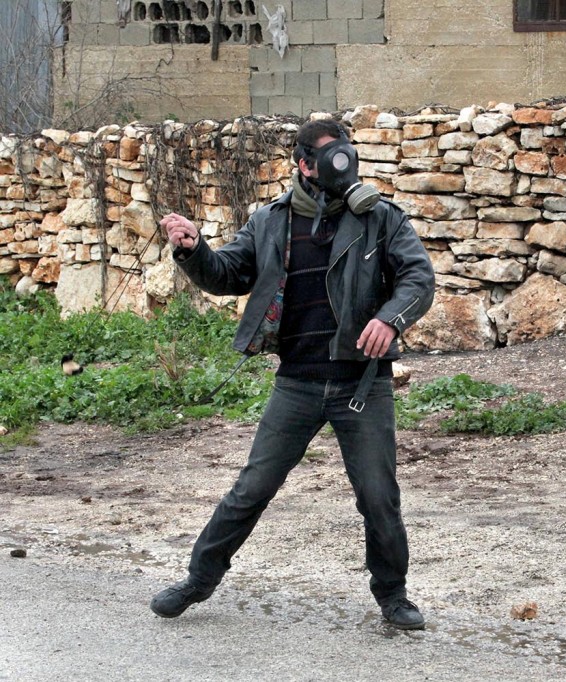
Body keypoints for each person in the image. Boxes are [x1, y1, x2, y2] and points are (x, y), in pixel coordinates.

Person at [151, 118, 435, 630]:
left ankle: (393, 596)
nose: (340, 165)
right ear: (304, 164)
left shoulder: (380, 217)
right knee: (253, 487)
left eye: (345, 152)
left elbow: (418, 276)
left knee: (378, 495)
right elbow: (229, 275)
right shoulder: (271, 222)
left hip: (361, 384)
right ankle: (198, 580)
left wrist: (389, 318)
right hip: (297, 383)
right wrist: (194, 250)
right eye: (328, 156)